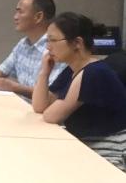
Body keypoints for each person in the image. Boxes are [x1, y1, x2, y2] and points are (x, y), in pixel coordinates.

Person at [33, 12, 126, 169]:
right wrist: (44, 73)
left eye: (53, 40)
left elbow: (51, 116)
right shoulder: (73, 69)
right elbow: (40, 106)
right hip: (87, 142)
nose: (48, 47)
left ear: (77, 43)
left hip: (109, 147)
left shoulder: (94, 73)